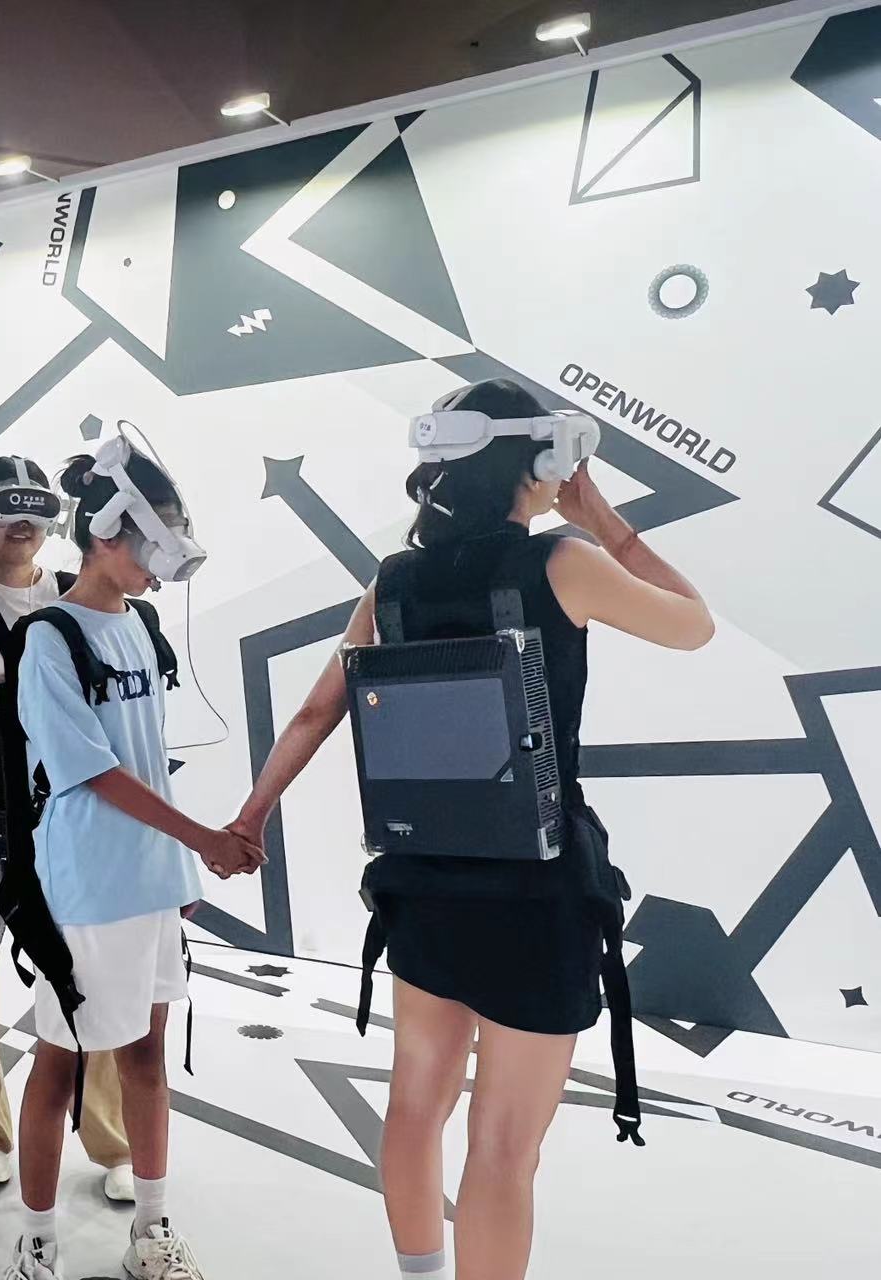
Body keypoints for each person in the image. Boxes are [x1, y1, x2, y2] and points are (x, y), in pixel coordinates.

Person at [229, 379, 715, 1280]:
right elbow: (694, 627)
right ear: (535, 461)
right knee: (502, 1147)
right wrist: (603, 519)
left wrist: (250, 815)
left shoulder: (392, 581)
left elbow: (313, 713)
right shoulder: (563, 562)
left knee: (414, 1105)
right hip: (536, 891)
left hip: (421, 882)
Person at [2, 444, 264, 1280]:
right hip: (88, 883)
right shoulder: (47, 639)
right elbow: (92, 772)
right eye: (157, 539)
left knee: (146, 1057)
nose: (164, 562)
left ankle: (151, 1231)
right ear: (109, 532)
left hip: (151, 881)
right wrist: (203, 842)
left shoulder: (142, 628)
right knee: (61, 1059)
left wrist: (177, 869)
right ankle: (36, 1244)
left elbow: (147, 761)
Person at [0, 455, 135, 1200]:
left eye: (36, 508)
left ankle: (110, 1133)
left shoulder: (73, 591)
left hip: (70, 806)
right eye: (6, 507)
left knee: (90, 967)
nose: (21, 524)